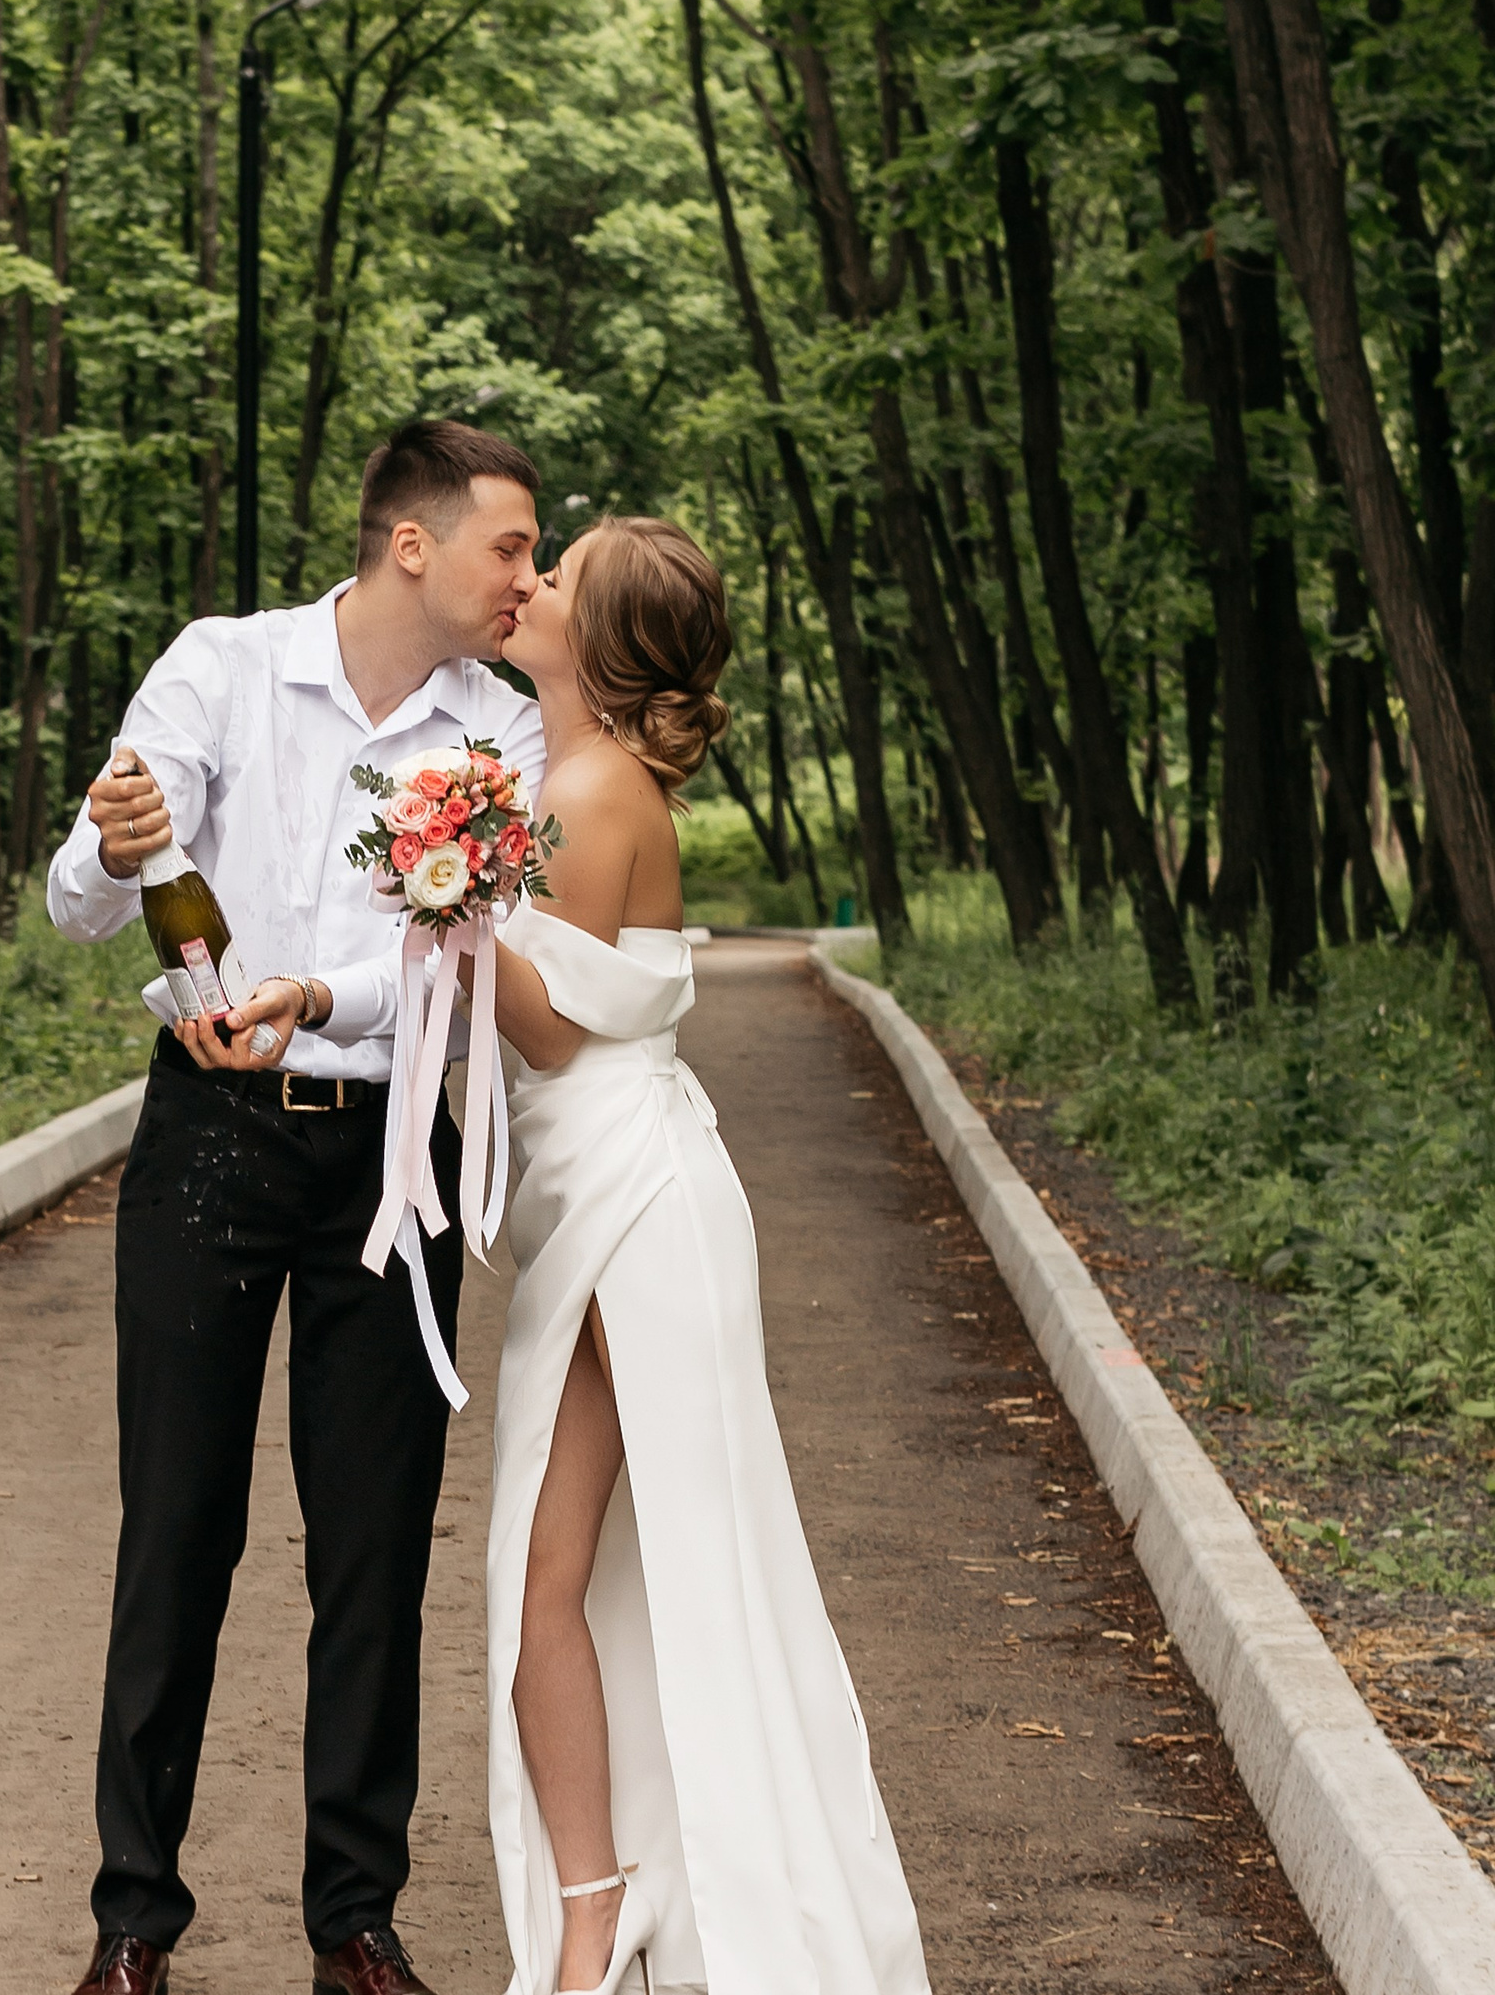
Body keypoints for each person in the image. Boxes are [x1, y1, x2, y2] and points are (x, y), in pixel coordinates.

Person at [46, 421, 548, 1995]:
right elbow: (82, 894)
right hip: (207, 1137)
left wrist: (313, 995)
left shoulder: (504, 738)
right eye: (512, 548)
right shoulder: (225, 666)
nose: (530, 578)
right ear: (415, 543)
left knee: (375, 1543)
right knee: (179, 1525)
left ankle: (355, 1920)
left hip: (393, 1164)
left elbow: (467, 981)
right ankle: (135, 1923)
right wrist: (119, 851)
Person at [475, 517, 929, 1995]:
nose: (529, 586)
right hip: (607, 1188)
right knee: (590, 1566)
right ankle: (609, 1910)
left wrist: (451, 899)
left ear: (597, 647)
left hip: (633, 1203)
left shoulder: (594, 790)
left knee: (610, 1568)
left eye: (558, 576)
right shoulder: (571, 778)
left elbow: (544, 1024)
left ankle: (617, 1921)